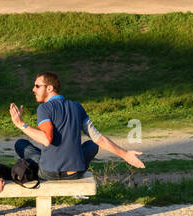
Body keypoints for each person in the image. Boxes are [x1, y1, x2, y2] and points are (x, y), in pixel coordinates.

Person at [10, 71, 144, 180]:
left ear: (49, 88)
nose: (33, 89)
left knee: (21, 144)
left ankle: (45, 163)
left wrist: (21, 124)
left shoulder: (44, 108)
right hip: (75, 173)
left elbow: (46, 139)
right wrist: (125, 154)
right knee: (92, 144)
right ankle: (67, 162)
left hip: (49, 173)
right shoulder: (77, 107)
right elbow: (99, 138)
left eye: (37, 86)